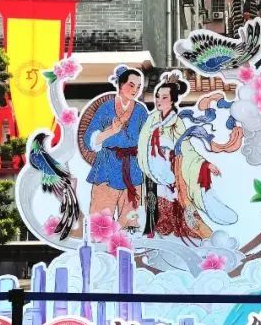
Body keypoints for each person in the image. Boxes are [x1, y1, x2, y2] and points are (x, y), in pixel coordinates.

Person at [137, 73, 242, 243]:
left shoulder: (176, 122)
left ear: (172, 100)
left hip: (172, 169)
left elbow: (186, 148)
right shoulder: (151, 120)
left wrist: (205, 164)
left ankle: (185, 235)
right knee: (152, 206)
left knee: (178, 204)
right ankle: (152, 236)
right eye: (157, 96)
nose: (159, 100)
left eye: (164, 97)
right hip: (152, 169)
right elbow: (142, 144)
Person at [83, 66, 148, 230]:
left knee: (130, 223)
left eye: (138, 86)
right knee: (99, 222)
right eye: (131, 85)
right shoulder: (105, 108)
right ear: (120, 84)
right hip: (107, 167)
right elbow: (89, 140)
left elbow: (147, 139)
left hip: (132, 170)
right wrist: (111, 131)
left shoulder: (141, 111)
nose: (135, 90)